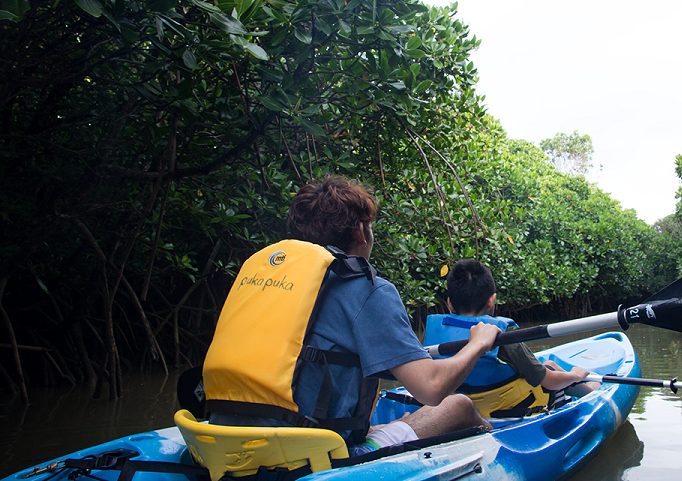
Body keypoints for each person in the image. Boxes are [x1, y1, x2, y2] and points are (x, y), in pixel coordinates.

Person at [202, 176, 501, 457]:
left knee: (375, 424)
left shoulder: (260, 278)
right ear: (361, 231)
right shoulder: (365, 287)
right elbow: (431, 387)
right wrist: (478, 342)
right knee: (458, 406)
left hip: (222, 443)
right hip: (304, 456)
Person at [422, 259, 599, 417]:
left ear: (449, 303)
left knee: (549, 365)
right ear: (492, 301)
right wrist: (574, 375)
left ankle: (582, 382)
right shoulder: (502, 337)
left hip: (455, 407)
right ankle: (591, 389)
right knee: (553, 373)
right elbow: (550, 383)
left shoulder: (434, 338)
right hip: (510, 408)